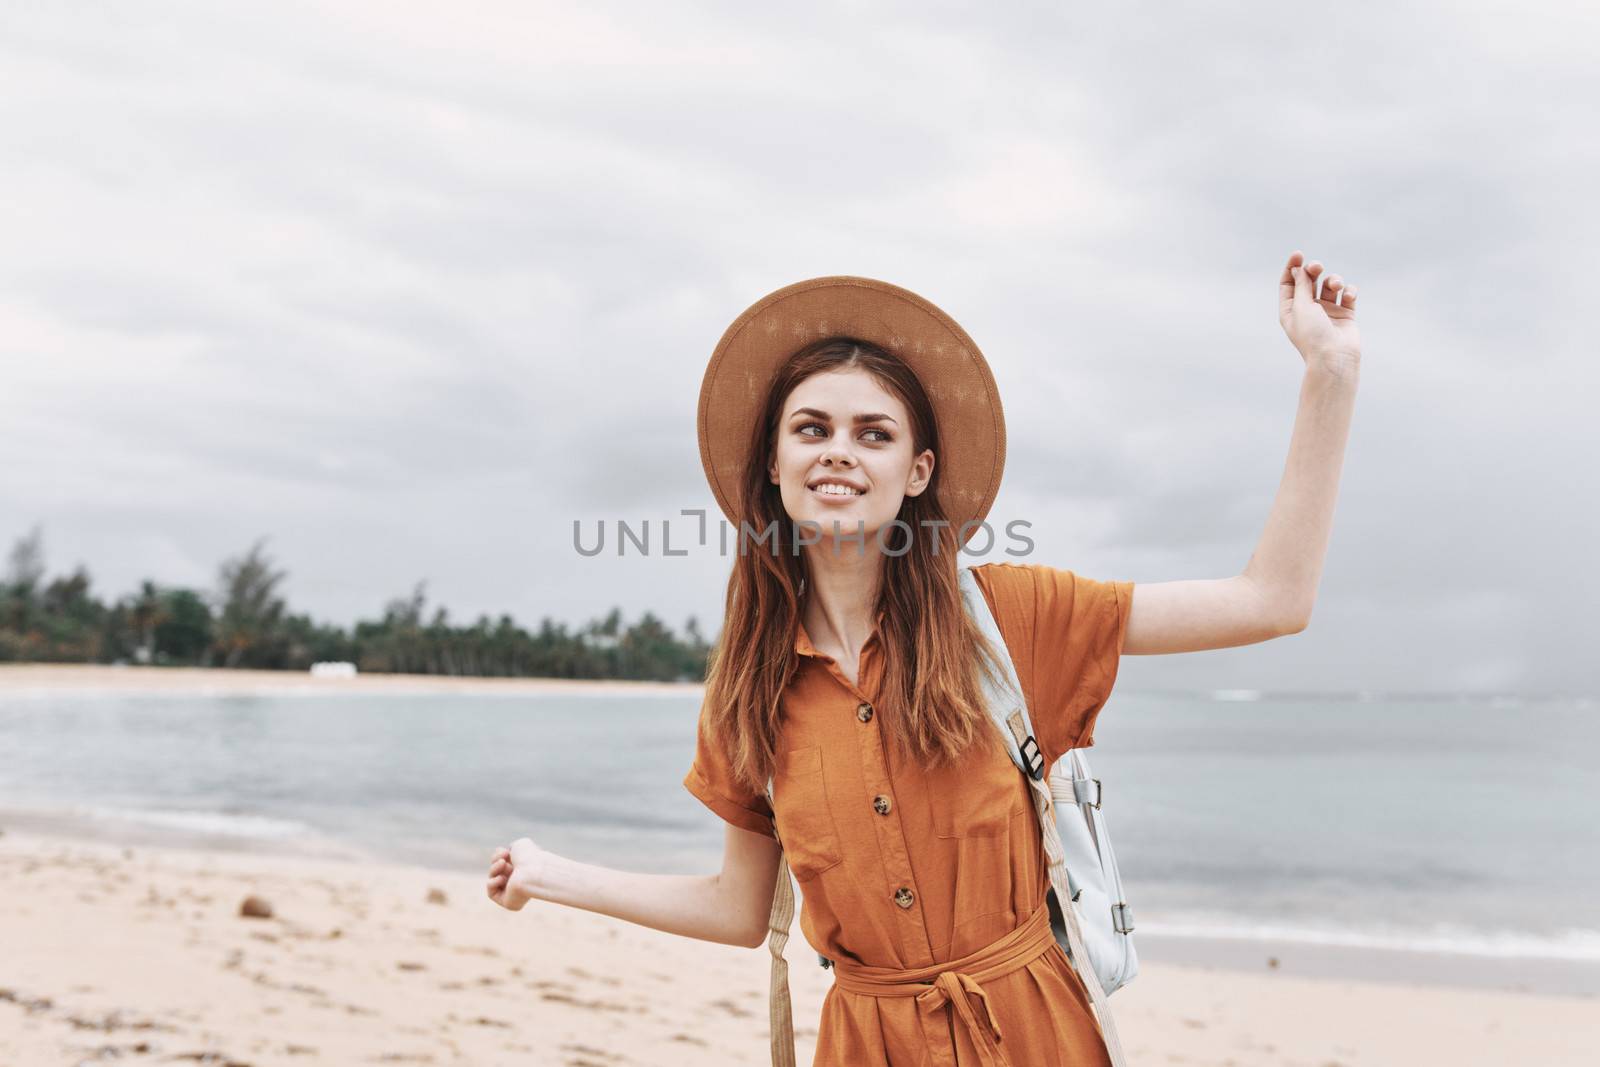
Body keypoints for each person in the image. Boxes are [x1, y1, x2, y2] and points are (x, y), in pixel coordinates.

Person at [485, 255, 1361, 1066]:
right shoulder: (747, 693)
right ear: (776, 466)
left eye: (874, 433)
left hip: (1037, 1036)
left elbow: (1271, 599)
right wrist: (550, 873)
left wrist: (1330, 373)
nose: (838, 449)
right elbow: (738, 909)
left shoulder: (1012, 618)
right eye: (811, 427)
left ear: (916, 471)